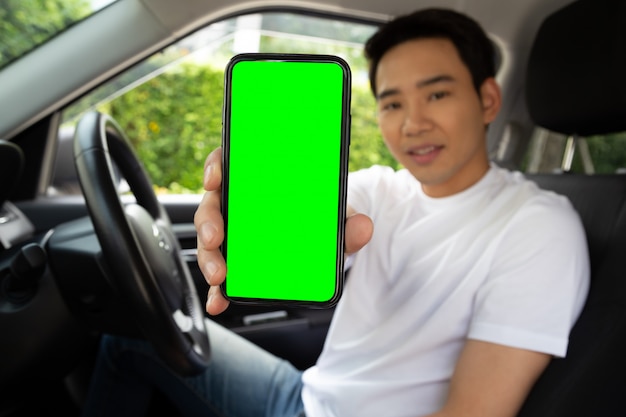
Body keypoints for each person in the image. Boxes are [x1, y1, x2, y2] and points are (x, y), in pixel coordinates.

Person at [81, 8, 590, 417]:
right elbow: (314, 206)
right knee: (129, 335)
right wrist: (244, 200)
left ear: (487, 98)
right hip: (307, 393)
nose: (412, 123)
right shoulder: (381, 189)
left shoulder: (539, 227)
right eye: (391, 104)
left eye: (436, 93)